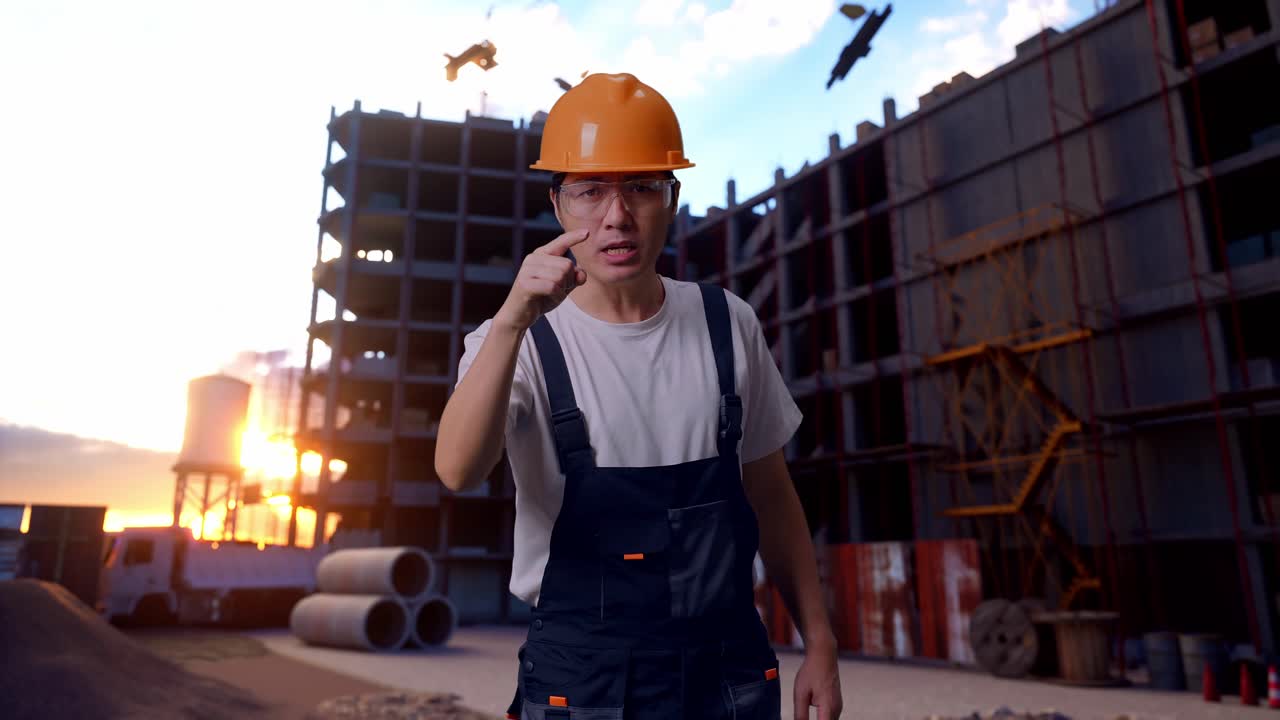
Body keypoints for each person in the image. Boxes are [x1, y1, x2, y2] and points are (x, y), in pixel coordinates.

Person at [435, 72, 842, 720]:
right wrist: (514, 318)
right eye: (591, 191)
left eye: (642, 188)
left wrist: (819, 641)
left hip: (725, 671)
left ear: (673, 198)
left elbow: (770, 493)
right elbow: (456, 469)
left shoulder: (726, 323)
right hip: (584, 677)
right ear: (559, 205)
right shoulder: (519, 342)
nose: (617, 216)